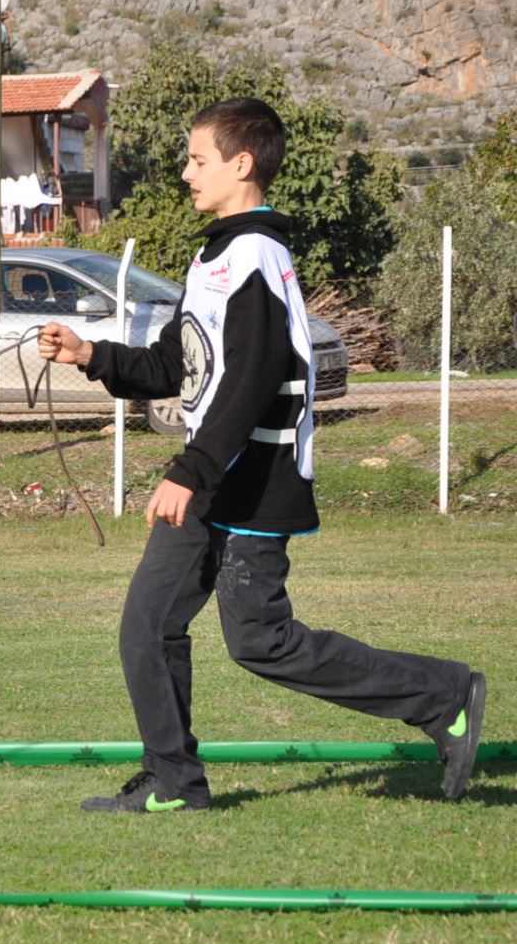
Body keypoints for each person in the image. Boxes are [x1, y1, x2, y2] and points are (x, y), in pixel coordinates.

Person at [37, 97, 484, 813]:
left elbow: (251, 381)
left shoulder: (257, 257)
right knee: (147, 626)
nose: (186, 172)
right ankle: (174, 785)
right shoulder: (215, 252)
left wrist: (190, 470)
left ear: (241, 165)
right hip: (215, 480)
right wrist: (91, 354)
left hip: (248, 484)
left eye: (198, 159)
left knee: (262, 642)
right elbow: (176, 366)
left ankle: (444, 695)